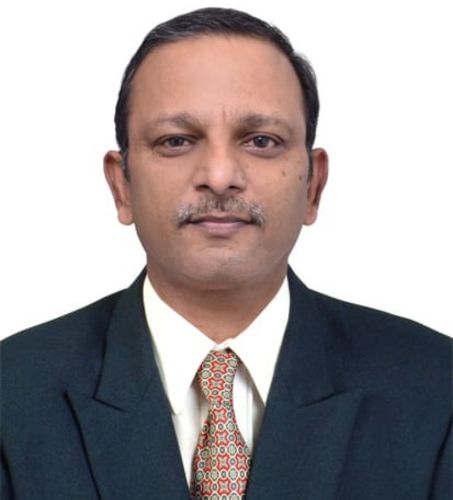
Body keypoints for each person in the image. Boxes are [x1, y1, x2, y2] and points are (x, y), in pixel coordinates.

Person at [1, 7, 451, 500]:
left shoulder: (437, 390)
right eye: (176, 141)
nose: (219, 176)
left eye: (261, 140)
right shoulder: (11, 394)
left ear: (313, 186)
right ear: (121, 185)